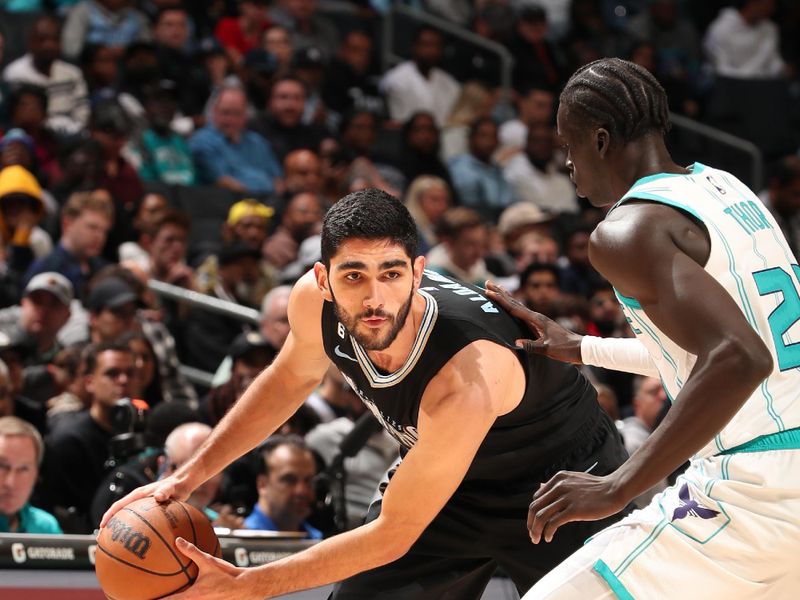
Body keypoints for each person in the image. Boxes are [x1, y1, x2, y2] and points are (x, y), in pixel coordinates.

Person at [102, 188, 629, 599]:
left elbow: (392, 534)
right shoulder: (313, 305)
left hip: (564, 487)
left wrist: (245, 586)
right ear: (322, 279)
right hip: (447, 483)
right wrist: (188, 476)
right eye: (353, 275)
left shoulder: (466, 374)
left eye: (392, 274)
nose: (375, 297)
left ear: (419, 273)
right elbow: (288, 380)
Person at [481, 57, 799, 599]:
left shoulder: (626, 231)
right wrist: (582, 347)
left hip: (752, 489)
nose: (567, 164)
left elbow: (739, 357)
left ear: (600, 140)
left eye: (568, 146)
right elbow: (718, 348)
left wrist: (618, 485)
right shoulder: (727, 188)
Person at [243, 434, 321, 538]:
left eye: (308, 481)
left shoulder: (317, 541)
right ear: (262, 484)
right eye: (289, 480)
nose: (302, 491)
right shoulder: (240, 540)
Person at [0, 415, 61, 533]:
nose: (10, 483)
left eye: (23, 469)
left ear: (35, 475)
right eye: (2, 466)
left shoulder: (46, 527)